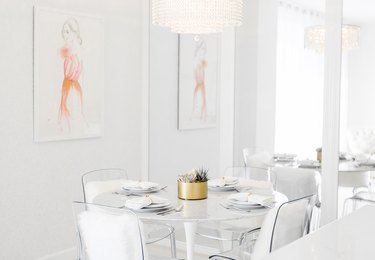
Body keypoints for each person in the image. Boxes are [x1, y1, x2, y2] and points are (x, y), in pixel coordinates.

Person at [58, 17, 84, 131]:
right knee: (66, 111)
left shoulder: (77, 52)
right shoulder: (65, 52)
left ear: (74, 33)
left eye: (67, 31)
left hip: (74, 87)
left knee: (74, 112)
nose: (65, 34)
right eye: (64, 32)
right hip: (68, 86)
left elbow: (77, 71)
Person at [192, 38, 208, 121]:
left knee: (203, 98)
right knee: (198, 97)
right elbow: (197, 73)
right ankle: (201, 114)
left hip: (201, 82)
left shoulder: (202, 63)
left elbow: (204, 65)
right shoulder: (197, 64)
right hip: (199, 82)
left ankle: (203, 115)